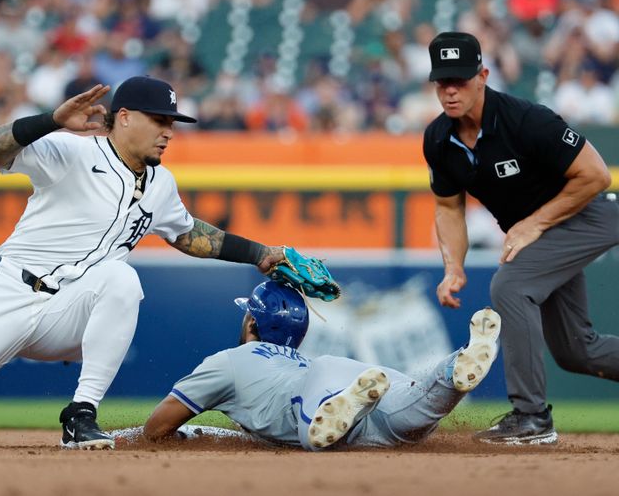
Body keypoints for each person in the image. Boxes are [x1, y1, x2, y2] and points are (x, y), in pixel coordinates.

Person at [0, 76, 290, 450]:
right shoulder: (73, 150)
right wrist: (51, 120)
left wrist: (260, 254)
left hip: (66, 311)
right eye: (159, 119)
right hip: (7, 293)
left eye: (173, 121)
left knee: (120, 278)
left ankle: (80, 414)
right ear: (123, 118)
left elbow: (189, 234)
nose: (169, 129)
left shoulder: (161, 183)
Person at [423, 32, 619, 446]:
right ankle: (532, 415)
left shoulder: (527, 119)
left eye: (460, 79)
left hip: (588, 213)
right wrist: (453, 266)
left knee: (511, 284)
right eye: (443, 81)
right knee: (575, 351)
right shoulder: (439, 139)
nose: (451, 90)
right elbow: (448, 207)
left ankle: (532, 418)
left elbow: (597, 176)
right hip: (546, 234)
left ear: (483, 75)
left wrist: (534, 223)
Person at [143, 281, 501, 450]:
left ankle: (331, 413)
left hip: (318, 391)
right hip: (350, 378)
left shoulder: (228, 361)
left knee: (316, 434)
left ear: (252, 323)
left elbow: (157, 428)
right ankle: (453, 368)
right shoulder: (300, 358)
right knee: (415, 406)